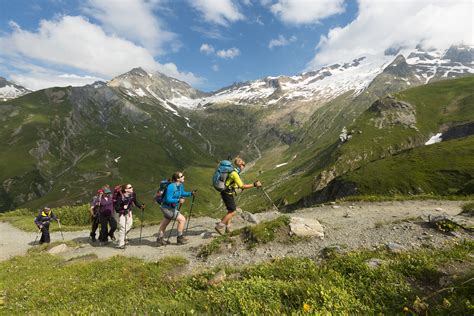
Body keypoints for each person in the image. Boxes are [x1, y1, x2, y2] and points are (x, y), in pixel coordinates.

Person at [215, 157, 261, 235]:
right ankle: (220, 226)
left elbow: (230, 182)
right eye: (244, 165)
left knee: (230, 210)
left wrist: (236, 187)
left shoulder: (234, 171)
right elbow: (242, 186)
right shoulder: (235, 173)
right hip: (227, 194)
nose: (244, 167)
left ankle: (228, 227)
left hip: (226, 192)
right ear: (241, 165)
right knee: (233, 212)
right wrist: (254, 184)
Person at [156, 172, 196, 246]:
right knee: (182, 219)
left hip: (170, 207)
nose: (183, 177)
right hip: (166, 208)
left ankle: (159, 239)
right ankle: (180, 238)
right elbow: (168, 199)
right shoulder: (171, 186)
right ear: (177, 179)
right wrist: (178, 200)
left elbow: (182, 193)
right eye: (182, 176)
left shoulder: (180, 185)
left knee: (165, 223)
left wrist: (191, 193)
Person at [114, 184, 144, 249]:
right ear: (126, 190)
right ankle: (121, 244)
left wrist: (140, 206)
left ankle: (123, 237)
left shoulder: (133, 194)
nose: (132, 188)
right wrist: (122, 208)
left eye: (132, 187)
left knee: (130, 225)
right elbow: (116, 208)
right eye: (130, 187)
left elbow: (135, 202)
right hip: (121, 213)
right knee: (122, 227)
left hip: (128, 212)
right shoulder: (120, 197)